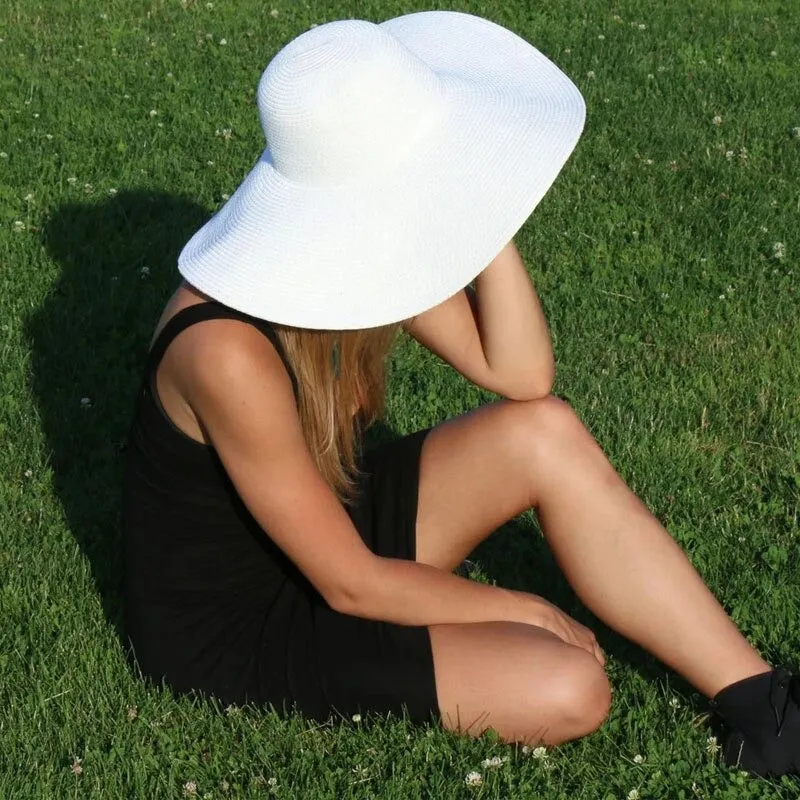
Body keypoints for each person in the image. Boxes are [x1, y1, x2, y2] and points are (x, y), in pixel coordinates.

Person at [121, 11, 799, 778]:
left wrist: (473, 209)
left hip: (328, 527)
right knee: (572, 687)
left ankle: (760, 705)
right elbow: (349, 583)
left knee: (542, 431)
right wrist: (523, 607)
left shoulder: (348, 242)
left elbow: (520, 376)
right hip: (252, 623)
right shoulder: (224, 352)